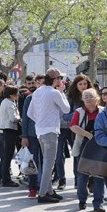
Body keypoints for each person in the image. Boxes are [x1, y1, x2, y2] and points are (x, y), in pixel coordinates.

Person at [28, 68, 70, 203]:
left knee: (46, 161)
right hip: (50, 130)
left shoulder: (38, 92)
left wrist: (41, 121)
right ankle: (42, 193)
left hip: (40, 130)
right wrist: (62, 92)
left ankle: (49, 190)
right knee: (48, 163)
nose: (60, 80)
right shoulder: (54, 93)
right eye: (59, 78)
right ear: (56, 79)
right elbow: (67, 109)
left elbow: (30, 113)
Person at [69, 89, 101, 211]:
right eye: (85, 96)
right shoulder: (79, 112)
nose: (88, 98)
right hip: (84, 145)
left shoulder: (103, 111)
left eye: (90, 96)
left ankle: (98, 203)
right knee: (82, 175)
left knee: (99, 175)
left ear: (96, 98)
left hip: (100, 147)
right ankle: (82, 200)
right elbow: (73, 126)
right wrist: (87, 134)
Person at [0, 85, 21, 187]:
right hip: (8, 131)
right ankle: (6, 179)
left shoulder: (4, 102)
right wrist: (20, 118)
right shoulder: (10, 104)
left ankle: (3, 177)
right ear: (12, 95)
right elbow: (13, 118)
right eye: (17, 93)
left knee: (5, 156)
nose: (18, 95)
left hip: (2, 131)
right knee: (7, 156)